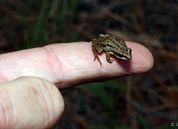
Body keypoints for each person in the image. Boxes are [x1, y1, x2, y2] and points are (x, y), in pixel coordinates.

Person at [0, 41, 153, 129]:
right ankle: (95, 53)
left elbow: (116, 48)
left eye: (127, 54)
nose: (126, 57)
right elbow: (107, 51)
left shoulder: (121, 50)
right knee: (99, 48)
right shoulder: (112, 51)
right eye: (124, 55)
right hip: (106, 42)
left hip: (111, 41)